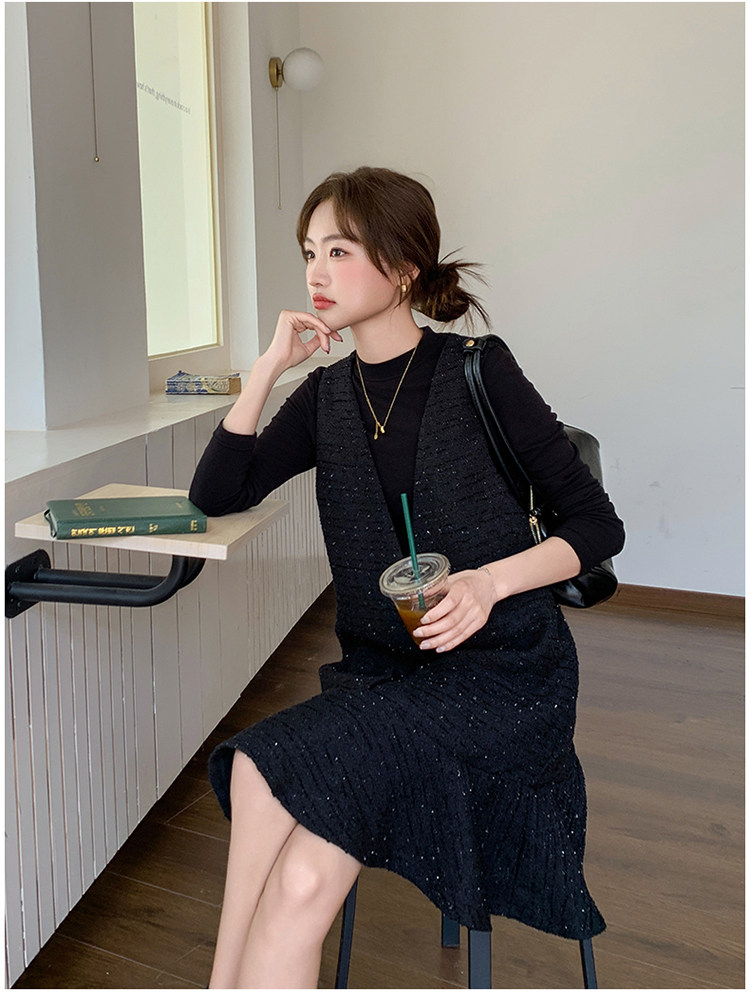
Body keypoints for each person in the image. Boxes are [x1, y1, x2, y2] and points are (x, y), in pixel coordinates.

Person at [189, 165, 625, 989]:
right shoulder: (325, 396)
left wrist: (490, 584)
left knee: (284, 826)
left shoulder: (478, 369)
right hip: (384, 676)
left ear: (401, 267)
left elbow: (598, 526)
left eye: (339, 250)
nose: (316, 272)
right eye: (309, 252)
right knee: (261, 790)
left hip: (501, 678)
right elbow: (217, 494)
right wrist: (268, 367)